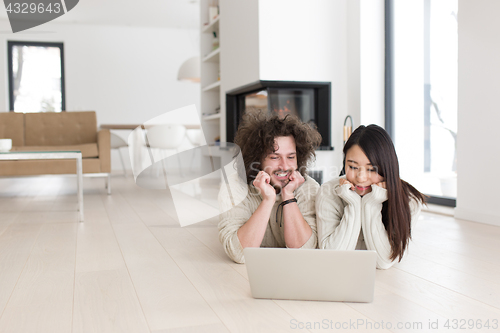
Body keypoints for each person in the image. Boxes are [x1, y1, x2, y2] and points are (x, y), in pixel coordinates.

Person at [218, 109, 323, 264]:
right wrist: (268, 200)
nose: (285, 166)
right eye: (274, 157)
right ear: (257, 158)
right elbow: (239, 254)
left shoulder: (309, 187)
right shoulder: (234, 186)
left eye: (291, 157)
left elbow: (304, 251)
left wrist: (288, 196)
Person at [316, 124, 426, 269]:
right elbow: (332, 259)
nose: (361, 178)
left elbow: (384, 261)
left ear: (387, 167)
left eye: (371, 169)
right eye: (353, 167)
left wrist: (372, 204)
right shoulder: (328, 192)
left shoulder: (410, 201)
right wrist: (353, 204)